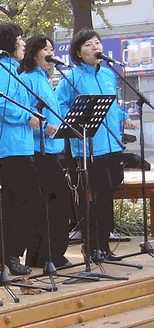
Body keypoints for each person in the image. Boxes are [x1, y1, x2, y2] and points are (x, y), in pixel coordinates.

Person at [56, 29, 135, 260]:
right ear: (78, 52)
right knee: (97, 195)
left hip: (113, 145)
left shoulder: (108, 74)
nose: (95, 47)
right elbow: (60, 106)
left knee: (107, 195)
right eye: (89, 44)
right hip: (88, 148)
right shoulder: (71, 77)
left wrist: (123, 117)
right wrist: (75, 120)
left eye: (97, 43)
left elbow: (112, 105)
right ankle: (91, 247)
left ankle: (104, 246)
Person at [0, 23, 43, 275]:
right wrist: (27, 116)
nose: (24, 44)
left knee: (23, 202)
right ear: (8, 43)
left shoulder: (11, 69)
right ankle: (10, 254)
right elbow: (2, 105)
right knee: (22, 203)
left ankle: (11, 254)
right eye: (19, 39)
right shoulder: (1, 70)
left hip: (20, 145)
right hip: (9, 147)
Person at [17, 35, 72, 268]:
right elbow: (26, 114)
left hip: (51, 149)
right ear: (33, 52)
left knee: (56, 203)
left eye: (52, 49)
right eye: (46, 49)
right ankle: (46, 255)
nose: (51, 53)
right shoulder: (27, 79)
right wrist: (44, 128)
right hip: (37, 150)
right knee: (53, 203)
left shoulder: (45, 79)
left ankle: (47, 254)